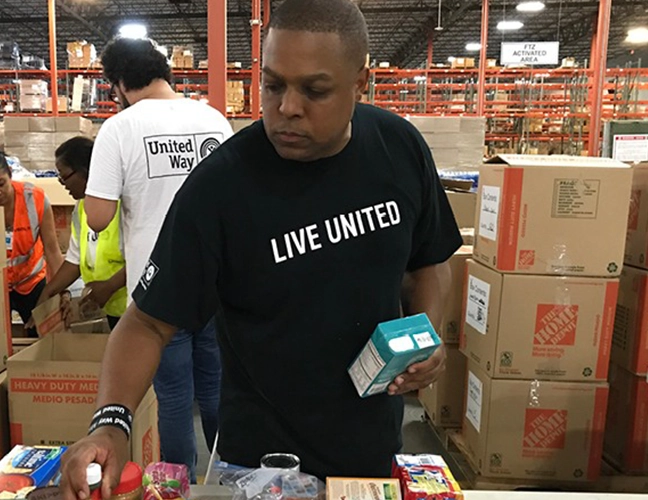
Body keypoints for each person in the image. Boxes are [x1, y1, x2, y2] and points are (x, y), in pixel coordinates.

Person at [60, 0, 461, 496]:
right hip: (263, 465)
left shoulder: (399, 149)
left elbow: (429, 262)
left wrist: (425, 337)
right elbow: (147, 320)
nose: (288, 107)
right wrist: (111, 422)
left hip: (370, 445)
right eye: (273, 85)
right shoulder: (221, 187)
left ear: (361, 82)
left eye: (314, 90)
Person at [81, 37, 232, 482]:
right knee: (218, 388)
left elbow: (97, 216)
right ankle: (233, 481)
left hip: (158, 291)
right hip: (219, 283)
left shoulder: (120, 128)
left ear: (119, 83)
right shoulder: (213, 120)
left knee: (173, 396)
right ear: (164, 72)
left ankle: (177, 486)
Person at [33, 137, 127, 330]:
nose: (62, 183)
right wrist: (50, 291)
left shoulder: (125, 206)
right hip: (108, 309)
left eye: (64, 176)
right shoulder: (82, 208)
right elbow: (75, 259)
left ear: (86, 171)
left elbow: (145, 258)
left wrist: (110, 286)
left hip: (133, 309)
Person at [0, 152, 64, 337]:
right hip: (1, 283)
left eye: (1, 184)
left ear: (10, 174)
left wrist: (62, 291)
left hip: (31, 282)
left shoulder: (34, 199)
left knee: (40, 334)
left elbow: (52, 251)